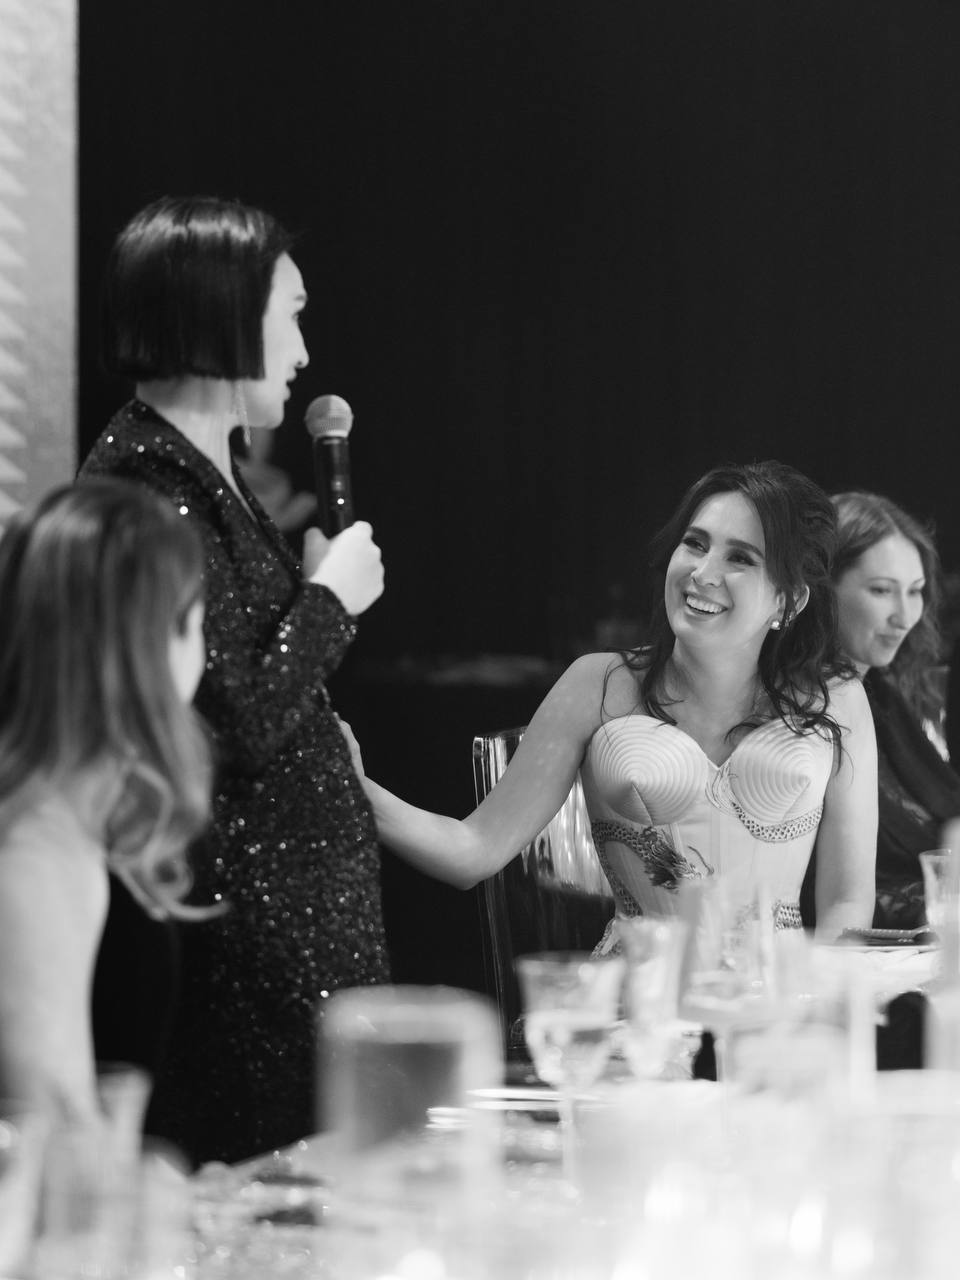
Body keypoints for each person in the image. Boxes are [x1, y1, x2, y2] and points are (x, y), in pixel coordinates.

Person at [80, 195, 387, 1165]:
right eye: (291, 315)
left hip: (290, 934)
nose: (303, 351)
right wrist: (329, 602)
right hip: (246, 944)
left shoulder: (201, 473)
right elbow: (227, 722)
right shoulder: (147, 487)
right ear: (225, 312)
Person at [354, 461, 878, 971]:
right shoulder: (598, 683)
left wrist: (817, 1004)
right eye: (695, 544)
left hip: (777, 1005)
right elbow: (472, 852)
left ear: (788, 601)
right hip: (637, 1006)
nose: (702, 572)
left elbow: (847, 902)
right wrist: (352, 786)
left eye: (740, 558)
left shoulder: (837, 699)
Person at [0, 479, 210, 1122]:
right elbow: (51, 1119)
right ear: (152, 642)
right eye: (196, 621)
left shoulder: (71, 810)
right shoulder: (36, 842)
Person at [824, 491, 960, 930]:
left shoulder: (881, 692)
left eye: (915, 592)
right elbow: (829, 897)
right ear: (823, 588)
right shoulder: (805, 708)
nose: (905, 616)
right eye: (882, 590)